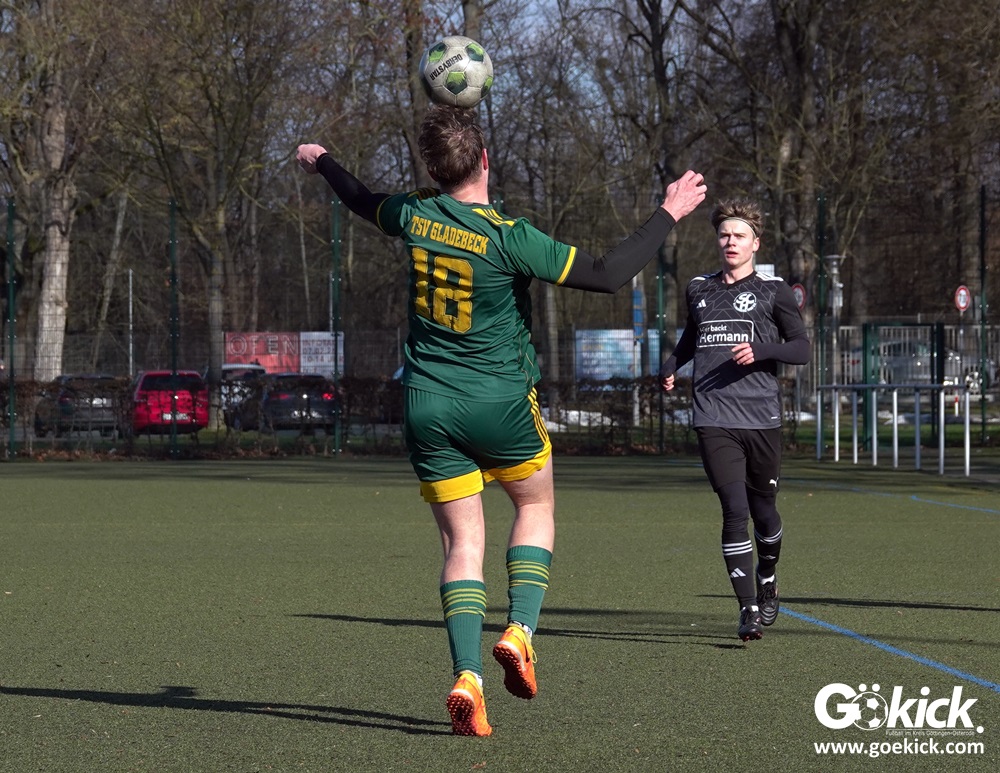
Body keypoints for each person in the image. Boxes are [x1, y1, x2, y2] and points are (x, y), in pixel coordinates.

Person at [297, 105, 706, 736]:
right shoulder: (511, 236)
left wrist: (322, 160)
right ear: (485, 161)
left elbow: (360, 198)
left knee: (463, 545)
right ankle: (519, 631)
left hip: (428, 406)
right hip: (500, 402)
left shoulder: (414, 214)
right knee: (535, 504)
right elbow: (607, 274)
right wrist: (668, 213)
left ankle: (467, 677)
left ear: (432, 171)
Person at [659, 198, 809, 642]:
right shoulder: (699, 289)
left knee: (764, 511)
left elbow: (801, 348)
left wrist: (762, 350)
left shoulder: (774, 291)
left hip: (761, 417)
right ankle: (747, 609)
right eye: (724, 234)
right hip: (713, 414)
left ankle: (767, 576)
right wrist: (672, 363)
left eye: (739, 235)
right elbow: (692, 338)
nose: (731, 241)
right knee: (734, 510)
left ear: (755, 243)